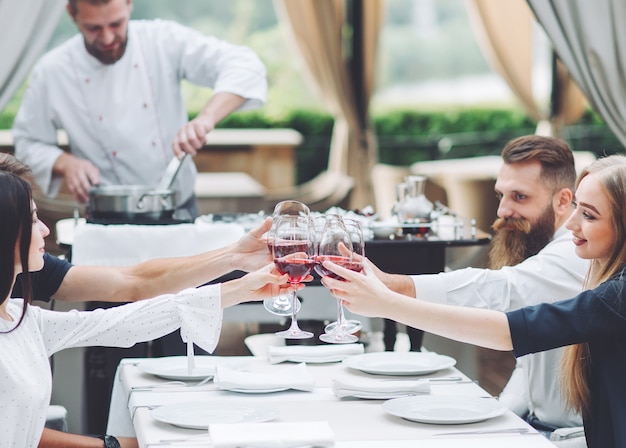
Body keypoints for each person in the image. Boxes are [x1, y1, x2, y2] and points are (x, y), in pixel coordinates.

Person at [322, 156, 626, 448]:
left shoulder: (616, 296)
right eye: (576, 207)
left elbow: (507, 329)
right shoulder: (604, 280)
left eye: (588, 214)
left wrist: (388, 302)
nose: (571, 223)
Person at [0, 171, 294, 448]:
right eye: (34, 219)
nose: (45, 229)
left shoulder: (23, 318)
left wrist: (237, 287)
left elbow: (124, 319)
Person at [364, 136, 592, 435]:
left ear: (563, 200)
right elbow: (530, 365)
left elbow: (499, 288)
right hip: (537, 428)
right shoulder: (545, 250)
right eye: (501, 196)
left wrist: (397, 288)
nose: (502, 211)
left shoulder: (574, 254)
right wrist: (500, 415)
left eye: (519, 197)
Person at [12, 0, 267, 218]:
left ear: (129, 3)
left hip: (178, 209)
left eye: (116, 24)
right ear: (72, 13)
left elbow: (245, 65)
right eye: (93, 28)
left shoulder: (162, 40)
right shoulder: (52, 71)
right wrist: (64, 162)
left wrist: (205, 119)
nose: (108, 38)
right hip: (104, 215)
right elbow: (28, 140)